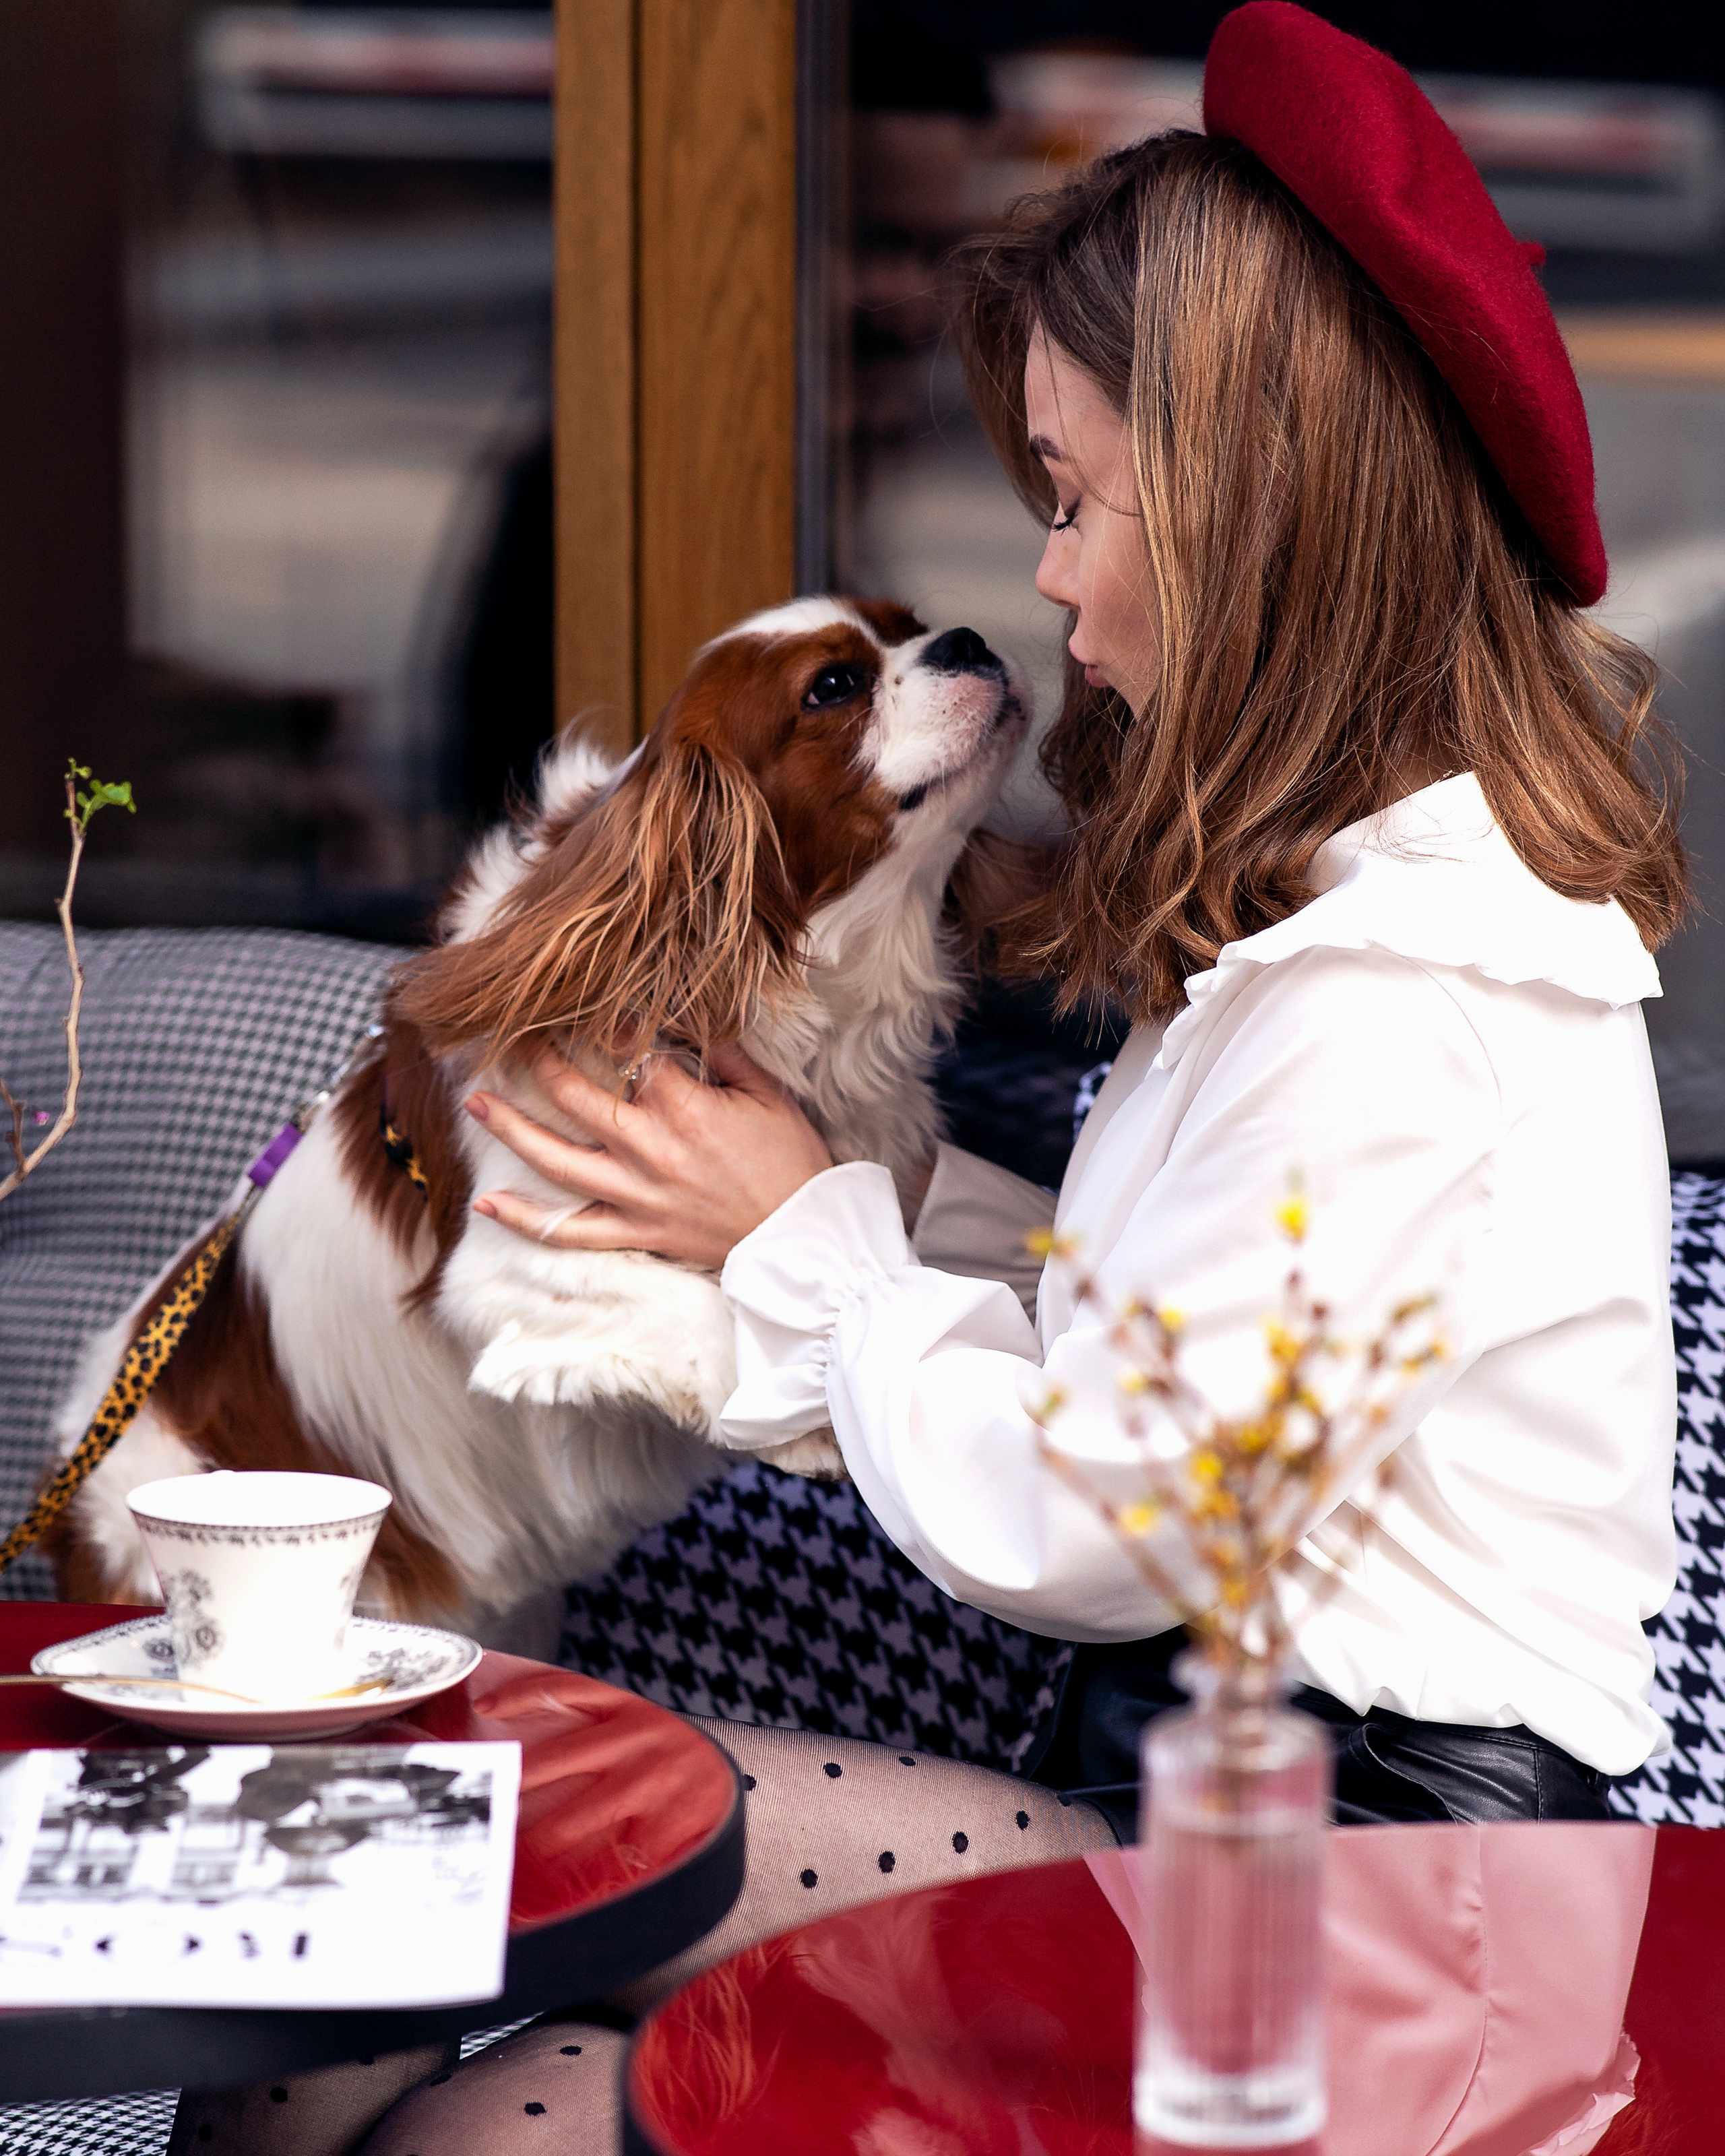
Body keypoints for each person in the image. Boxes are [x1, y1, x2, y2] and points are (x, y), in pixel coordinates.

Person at [182, 7, 1682, 2151]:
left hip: (1361, 1937)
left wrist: (794, 1230)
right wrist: (793, 1208)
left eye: (1076, 499)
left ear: (1262, 513)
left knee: (457, 1822)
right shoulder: (1343, 942)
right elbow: (1154, 1332)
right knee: (475, 1955)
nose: (1049, 577)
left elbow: (1091, 1511)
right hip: (1219, 1836)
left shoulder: (1410, 997)